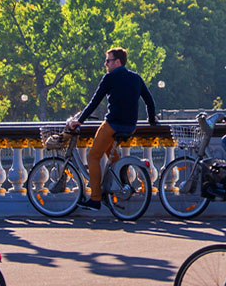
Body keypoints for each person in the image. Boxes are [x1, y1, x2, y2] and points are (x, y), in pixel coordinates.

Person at [66, 46, 158, 211]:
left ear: (117, 62)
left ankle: (95, 198)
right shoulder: (136, 78)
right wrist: (152, 120)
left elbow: (94, 102)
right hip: (130, 126)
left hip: (113, 123)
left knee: (93, 156)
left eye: (108, 61)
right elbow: (149, 101)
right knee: (111, 153)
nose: (105, 64)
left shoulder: (110, 78)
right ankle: (117, 187)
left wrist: (79, 121)